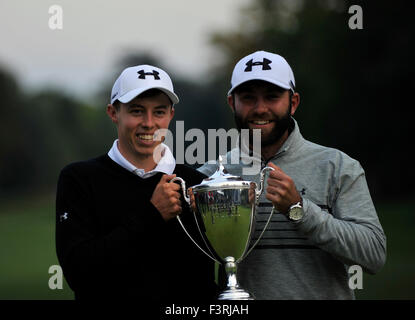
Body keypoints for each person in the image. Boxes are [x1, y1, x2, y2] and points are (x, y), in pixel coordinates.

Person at [198, 51, 386, 299]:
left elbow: (373, 255)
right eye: (248, 98)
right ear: (232, 103)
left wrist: (300, 209)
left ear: (293, 102)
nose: (260, 108)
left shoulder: (337, 167)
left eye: (272, 97)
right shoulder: (211, 176)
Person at [56, 64, 217, 300]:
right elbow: (78, 273)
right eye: (137, 111)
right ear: (113, 113)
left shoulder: (197, 183)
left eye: (159, 112)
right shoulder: (79, 179)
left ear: (171, 115)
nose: (149, 123)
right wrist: (152, 214)